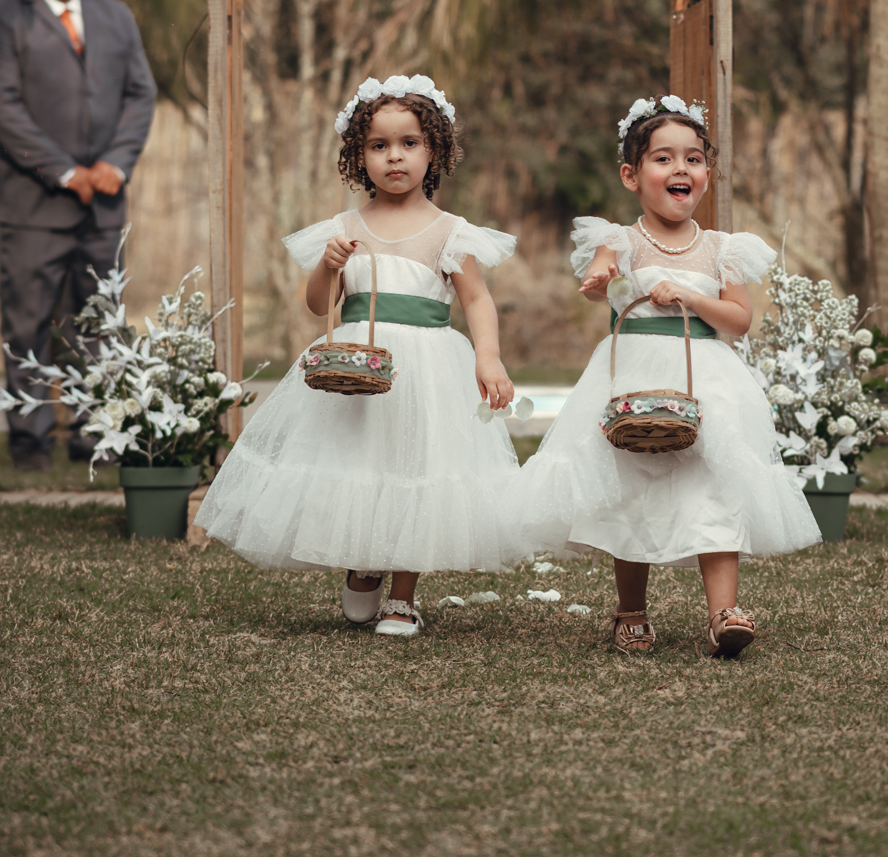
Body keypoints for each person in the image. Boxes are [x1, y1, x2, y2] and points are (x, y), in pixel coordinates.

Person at [194, 73, 526, 638]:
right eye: (378, 145)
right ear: (358, 156)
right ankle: (364, 560)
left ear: (434, 150)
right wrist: (328, 265)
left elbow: (477, 300)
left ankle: (403, 596)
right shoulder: (345, 229)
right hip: (356, 369)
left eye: (409, 143)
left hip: (425, 370)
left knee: (417, 468)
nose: (394, 156)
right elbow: (318, 305)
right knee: (358, 462)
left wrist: (488, 357)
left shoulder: (450, 232)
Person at [515, 95, 821, 658]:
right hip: (633, 375)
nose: (681, 168)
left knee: (715, 482)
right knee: (631, 485)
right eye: (663, 158)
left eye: (693, 159)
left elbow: (738, 321)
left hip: (705, 377)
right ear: (631, 175)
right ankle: (631, 609)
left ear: (707, 173)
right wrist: (602, 277)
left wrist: (689, 296)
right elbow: (604, 273)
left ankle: (723, 612)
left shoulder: (723, 249)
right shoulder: (622, 239)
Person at [0, 0, 157, 469]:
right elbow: (1, 107)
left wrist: (115, 164)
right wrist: (68, 172)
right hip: (31, 205)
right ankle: (29, 444)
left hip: (104, 204)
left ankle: (94, 435)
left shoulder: (115, 15)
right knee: (27, 325)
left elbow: (140, 94)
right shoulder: (2, 20)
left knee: (99, 322)